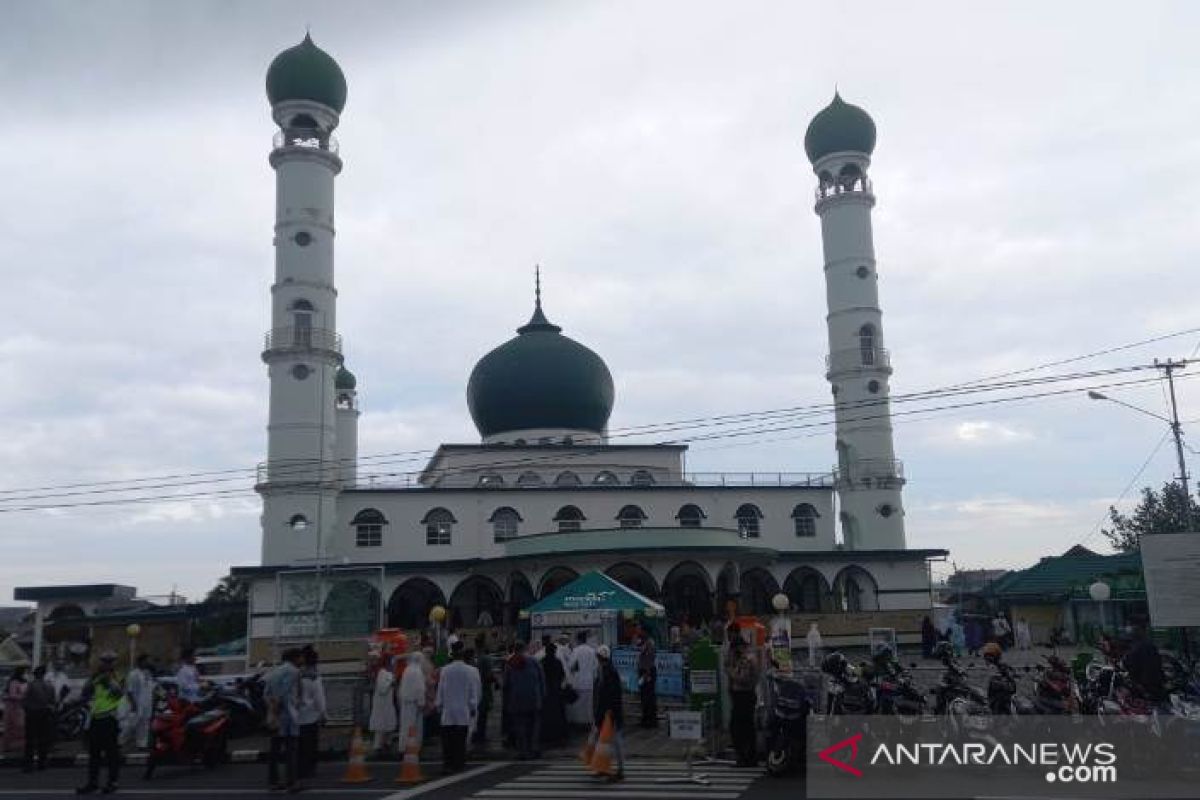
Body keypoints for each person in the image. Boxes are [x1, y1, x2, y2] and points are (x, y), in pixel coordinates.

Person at [76, 652, 124, 795]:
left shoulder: (117, 677)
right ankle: (93, 783)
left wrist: (108, 681)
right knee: (94, 754)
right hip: (96, 718)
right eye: (104, 662)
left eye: (109, 662)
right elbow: (85, 692)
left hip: (110, 718)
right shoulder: (96, 677)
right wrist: (94, 680)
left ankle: (112, 782)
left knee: (111, 754)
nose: (106, 664)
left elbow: (119, 693)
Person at [435, 642, 479, 775]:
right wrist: (473, 706)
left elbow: (441, 689)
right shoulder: (469, 670)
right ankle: (459, 764)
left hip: (448, 710)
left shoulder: (445, 670)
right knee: (460, 740)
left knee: (447, 740)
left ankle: (447, 764)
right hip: (463, 709)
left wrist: (439, 704)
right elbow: (473, 690)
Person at [264, 648, 303, 792]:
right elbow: (285, 692)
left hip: (275, 716)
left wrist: (272, 710)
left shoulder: (273, 672)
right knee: (291, 750)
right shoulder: (294, 672)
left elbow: (266, 693)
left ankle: (273, 782)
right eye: (300, 657)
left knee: (274, 750)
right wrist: (278, 707)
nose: (302, 660)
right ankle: (291, 782)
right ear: (295, 658)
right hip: (288, 715)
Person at [502, 641, 544, 760]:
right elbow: (542, 679)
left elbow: (505, 684)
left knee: (520, 727)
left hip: (516, 700)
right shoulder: (534, 661)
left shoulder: (510, 662)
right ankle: (534, 749)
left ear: (515, 649)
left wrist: (506, 701)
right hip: (534, 699)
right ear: (525, 648)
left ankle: (523, 752)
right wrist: (542, 696)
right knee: (534, 726)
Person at [592, 645, 626, 783]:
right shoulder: (605, 671)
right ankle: (604, 767)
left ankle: (620, 770)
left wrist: (609, 713)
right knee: (604, 742)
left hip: (610, 714)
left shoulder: (609, 673)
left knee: (615, 743)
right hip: (607, 713)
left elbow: (611, 696)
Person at [726, 638, 759, 768]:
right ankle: (747, 757)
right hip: (743, 696)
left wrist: (731, 672)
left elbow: (742, 679)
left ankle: (746, 757)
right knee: (745, 728)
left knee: (740, 728)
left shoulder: (746, 660)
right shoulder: (746, 658)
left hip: (744, 696)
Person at [297, 646, 326, 780]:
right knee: (310, 744)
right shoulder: (314, 676)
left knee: (299, 745)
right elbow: (318, 698)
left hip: (296, 714)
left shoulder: (297, 674)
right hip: (311, 715)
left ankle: (299, 768)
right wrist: (323, 713)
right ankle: (309, 769)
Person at [1122, 619, 1166, 703]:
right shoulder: (1149, 645)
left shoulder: (1136, 647)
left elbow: (1130, 666)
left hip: (1144, 686)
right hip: (1156, 684)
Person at [22, 666, 55, 772]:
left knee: (30, 741)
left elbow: (25, 700)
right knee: (43, 739)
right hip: (45, 713)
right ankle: (42, 763)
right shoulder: (49, 686)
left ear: (35, 674)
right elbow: (53, 700)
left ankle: (29, 765)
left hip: (32, 713)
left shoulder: (31, 685)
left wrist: (26, 708)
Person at [121, 654, 154, 750]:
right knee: (132, 723)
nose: (147, 663)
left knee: (144, 723)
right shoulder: (133, 674)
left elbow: (150, 687)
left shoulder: (147, 673)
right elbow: (129, 691)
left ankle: (141, 744)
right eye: (146, 661)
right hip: (137, 702)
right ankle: (121, 740)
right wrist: (133, 704)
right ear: (140, 662)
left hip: (147, 703)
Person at [565, 631, 597, 727]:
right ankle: (588, 722)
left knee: (578, 706)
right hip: (589, 682)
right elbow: (595, 666)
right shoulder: (592, 651)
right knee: (588, 705)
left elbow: (570, 665)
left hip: (578, 682)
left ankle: (578, 723)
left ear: (578, 639)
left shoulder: (576, 650)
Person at [397, 652, 427, 753]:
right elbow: (420, 688)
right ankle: (414, 747)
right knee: (415, 727)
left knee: (405, 726)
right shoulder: (417, 671)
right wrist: (422, 702)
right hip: (414, 704)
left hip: (406, 702)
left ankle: (403, 747)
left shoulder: (407, 669)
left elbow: (402, 687)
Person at [368, 654, 398, 754]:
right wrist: (391, 682)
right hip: (382, 703)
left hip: (387, 703)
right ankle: (378, 747)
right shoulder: (382, 673)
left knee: (387, 724)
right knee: (381, 726)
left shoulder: (387, 673)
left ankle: (386, 744)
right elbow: (382, 689)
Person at [540, 641, 568, 745]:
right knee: (558, 714)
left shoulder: (542, 662)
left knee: (546, 715)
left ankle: (547, 735)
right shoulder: (558, 662)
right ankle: (558, 735)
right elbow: (562, 675)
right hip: (556, 691)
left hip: (546, 692)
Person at [472, 633, 496, 747]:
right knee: (483, 714)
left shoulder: (475, 658)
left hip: (476, 689)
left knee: (478, 714)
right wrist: (496, 681)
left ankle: (477, 733)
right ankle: (480, 734)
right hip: (484, 689)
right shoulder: (486, 658)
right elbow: (488, 675)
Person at [3, 666, 28, 754]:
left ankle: (19, 747)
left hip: (21, 707)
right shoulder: (14, 682)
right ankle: (8, 747)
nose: (26, 674)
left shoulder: (24, 682)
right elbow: (12, 695)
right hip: (14, 707)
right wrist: (23, 697)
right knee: (13, 726)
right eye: (25, 672)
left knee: (21, 727)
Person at [635, 634, 658, 729]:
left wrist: (645, 676)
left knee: (648, 698)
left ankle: (650, 720)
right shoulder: (644, 648)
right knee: (644, 698)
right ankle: (646, 718)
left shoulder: (649, 648)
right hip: (644, 673)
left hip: (647, 674)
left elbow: (648, 665)